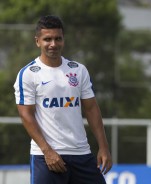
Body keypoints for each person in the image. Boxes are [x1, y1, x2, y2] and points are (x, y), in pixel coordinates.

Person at [14, 15, 112, 184]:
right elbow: (26, 115)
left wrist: (104, 147)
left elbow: (91, 109)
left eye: (58, 38)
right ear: (37, 41)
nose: (53, 44)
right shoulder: (28, 74)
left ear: (63, 40)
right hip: (47, 158)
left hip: (81, 154)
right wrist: (48, 152)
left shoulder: (79, 70)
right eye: (47, 39)